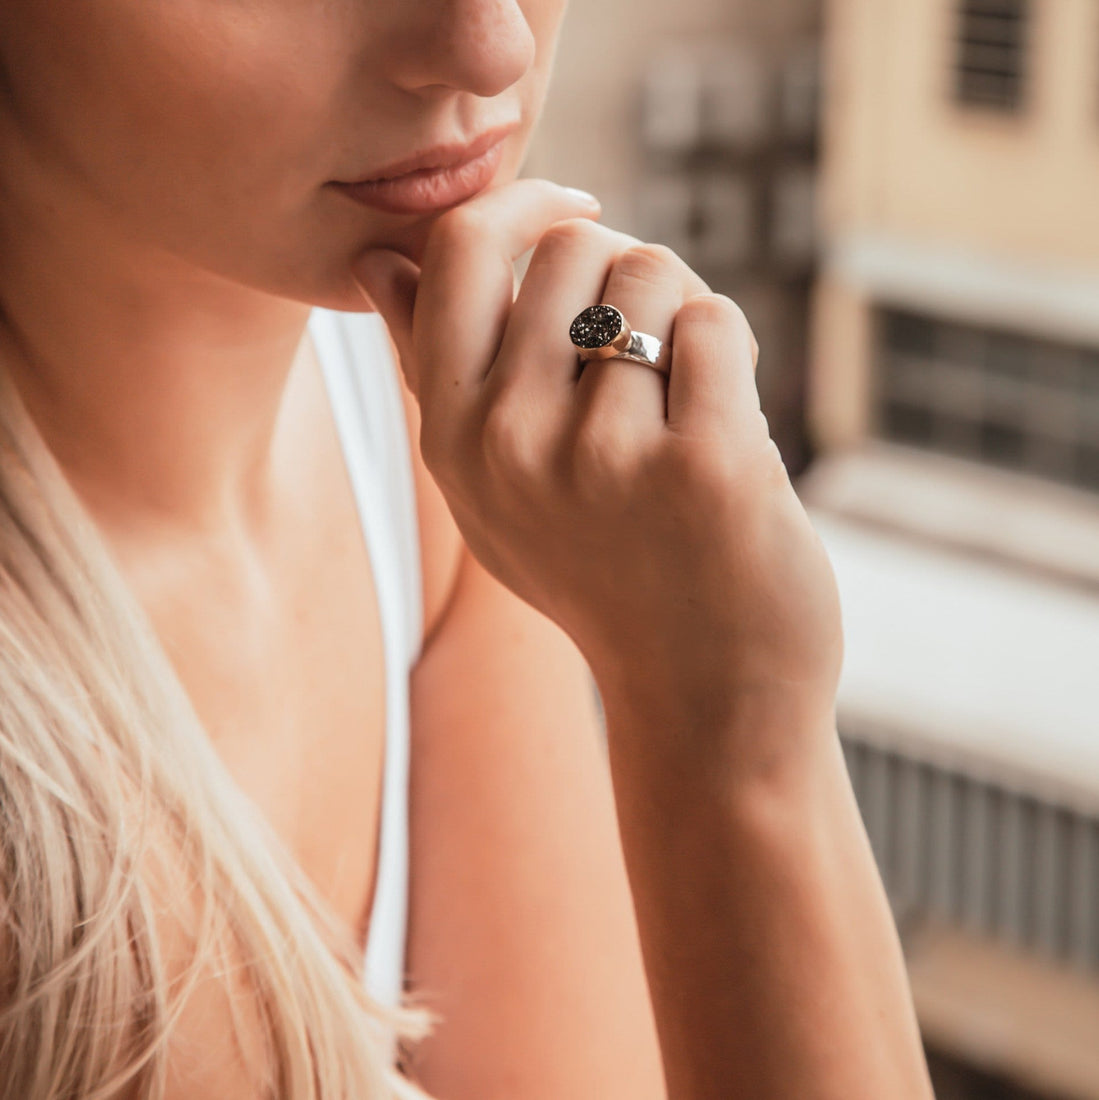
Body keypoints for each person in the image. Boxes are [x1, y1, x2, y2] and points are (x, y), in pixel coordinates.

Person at [0, 1, 935, 1098]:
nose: (494, 46)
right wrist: (733, 738)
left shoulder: (429, 429)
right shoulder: (39, 854)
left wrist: (725, 706)